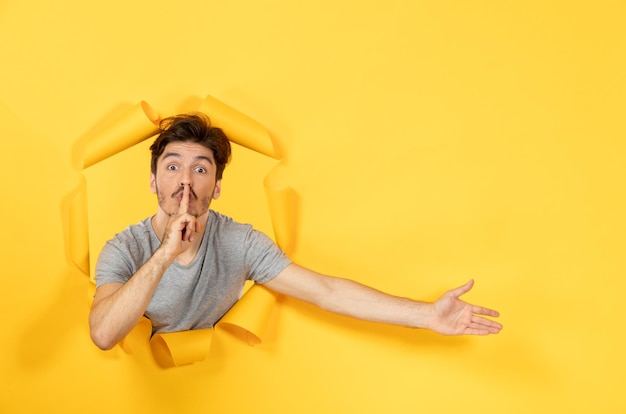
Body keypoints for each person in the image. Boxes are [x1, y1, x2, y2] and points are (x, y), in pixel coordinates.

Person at [89, 113, 502, 351]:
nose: (185, 181)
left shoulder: (240, 242)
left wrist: (427, 314)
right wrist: (163, 254)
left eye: (200, 169)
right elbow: (104, 334)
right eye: (172, 166)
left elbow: (327, 292)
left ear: (215, 187)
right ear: (152, 180)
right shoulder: (124, 249)